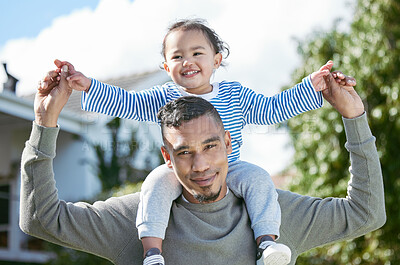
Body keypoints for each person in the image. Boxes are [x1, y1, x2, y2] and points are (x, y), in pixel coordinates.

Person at [49, 18, 357, 265]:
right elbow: (125, 102)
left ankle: (267, 245)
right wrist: (87, 85)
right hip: (179, 175)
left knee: (260, 179)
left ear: (217, 59)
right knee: (153, 185)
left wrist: (310, 86)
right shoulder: (164, 97)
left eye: (197, 53)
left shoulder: (234, 94)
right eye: (177, 56)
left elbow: (271, 109)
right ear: (166, 68)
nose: (188, 61)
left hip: (232, 168)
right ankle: (153, 253)